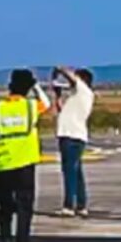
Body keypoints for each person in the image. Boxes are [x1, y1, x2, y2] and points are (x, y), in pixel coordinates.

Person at [0, 69, 46, 242]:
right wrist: (36, 86)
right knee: (24, 211)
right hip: (24, 164)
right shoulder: (30, 107)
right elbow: (46, 102)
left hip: (2, 163)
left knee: (4, 210)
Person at [51, 66, 94, 217]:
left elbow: (72, 78)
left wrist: (60, 69)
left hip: (71, 135)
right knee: (76, 172)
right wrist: (57, 96)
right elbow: (61, 109)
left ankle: (69, 205)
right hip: (72, 134)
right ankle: (81, 204)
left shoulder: (83, 90)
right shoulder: (78, 96)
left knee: (69, 170)